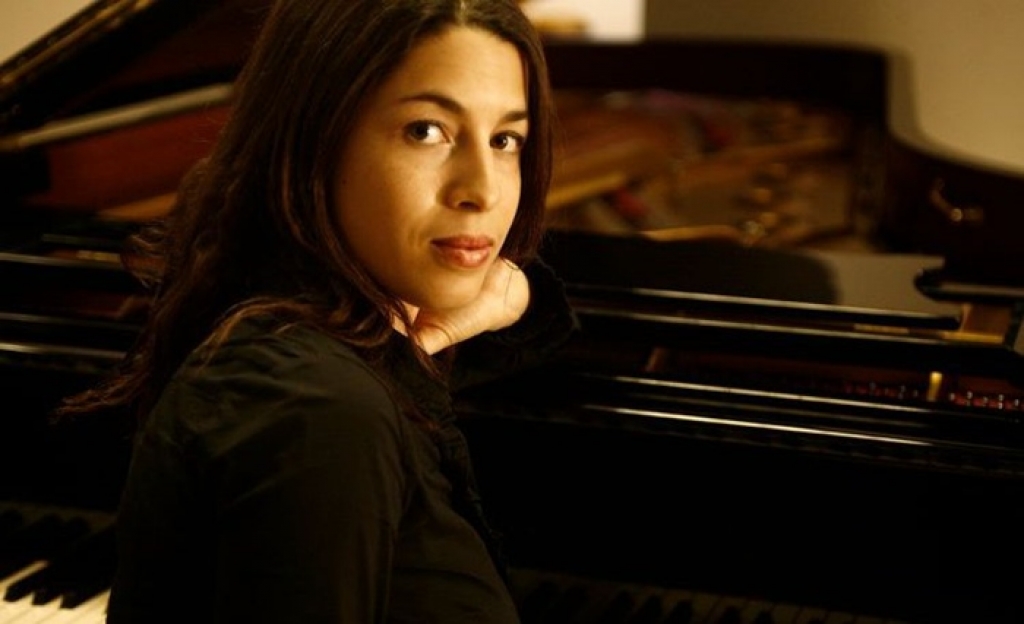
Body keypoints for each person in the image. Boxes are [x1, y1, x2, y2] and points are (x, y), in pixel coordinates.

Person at [57, 0, 577, 621]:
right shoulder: (319, 408)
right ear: (316, 136)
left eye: (505, 140)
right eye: (426, 131)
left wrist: (463, 318)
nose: (484, 190)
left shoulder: (281, 318)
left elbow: (527, 302)